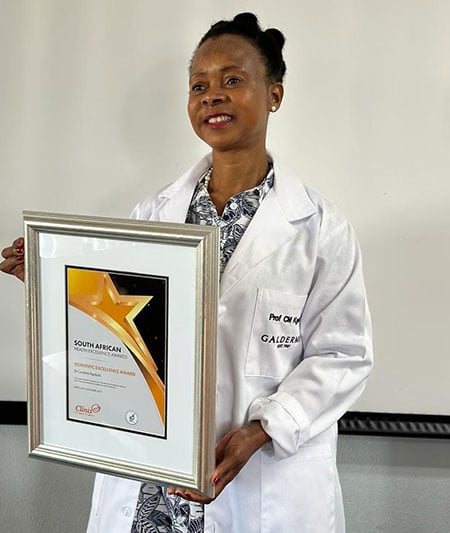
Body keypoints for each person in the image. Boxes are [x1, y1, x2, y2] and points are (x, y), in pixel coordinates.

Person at [1, 12, 373, 533]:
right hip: (152, 476)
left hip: (256, 477)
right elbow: (120, 329)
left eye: (233, 80)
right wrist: (53, 283)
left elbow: (344, 355)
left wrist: (265, 429)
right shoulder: (153, 215)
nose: (212, 95)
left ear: (275, 95)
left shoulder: (319, 229)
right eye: (199, 84)